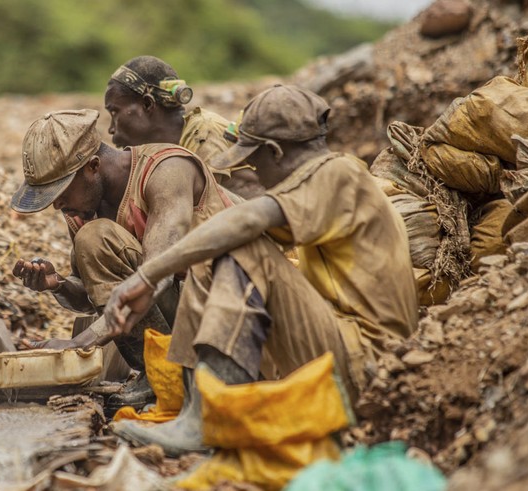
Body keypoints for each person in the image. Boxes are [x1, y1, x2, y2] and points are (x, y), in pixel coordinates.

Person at [103, 85, 419, 456]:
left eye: (255, 161)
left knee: (241, 245)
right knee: (214, 245)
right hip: (339, 348)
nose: (254, 173)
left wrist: (146, 275)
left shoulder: (339, 175)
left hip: (366, 363)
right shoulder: (320, 188)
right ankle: (197, 407)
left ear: (276, 152)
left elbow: (247, 220)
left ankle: (212, 419)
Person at [10, 109, 236, 410]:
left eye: (60, 192)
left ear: (92, 167)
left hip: (230, 314)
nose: (57, 205)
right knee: (93, 238)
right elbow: (100, 295)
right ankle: (158, 374)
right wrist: (60, 285)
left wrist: (82, 343)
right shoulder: (82, 208)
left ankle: (179, 376)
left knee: (95, 237)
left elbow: (156, 276)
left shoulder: (167, 170)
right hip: (185, 318)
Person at [104, 55, 265, 199]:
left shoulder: (203, 132)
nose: (111, 129)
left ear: (147, 104)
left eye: (114, 112)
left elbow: (207, 208)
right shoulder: (164, 152)